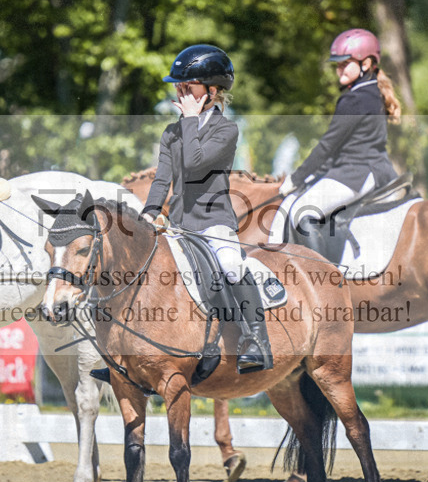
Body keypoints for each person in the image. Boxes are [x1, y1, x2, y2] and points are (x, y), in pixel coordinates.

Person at [141, 44, 272, 373]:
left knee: (230, 265)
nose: (180, 90)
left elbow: (195, 163)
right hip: (179, 222)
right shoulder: (172, 132)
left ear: (212, 91)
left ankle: (257, 339)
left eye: (188, 85)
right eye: (178, 85)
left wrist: (189, 120)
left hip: (214, 221)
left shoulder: (226, 130)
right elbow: (162, 179)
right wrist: (148, 212)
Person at [274, 28, 401, 250]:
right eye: (338, 64)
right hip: (377, 171)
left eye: (345, 63)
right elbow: (349, 144)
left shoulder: (354, 99)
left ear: (366, 63)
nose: (339, 69)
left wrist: (296, 178)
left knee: (301, 211)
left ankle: (321, 279)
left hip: (355, 174)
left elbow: (328, 146)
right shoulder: (372, 92)